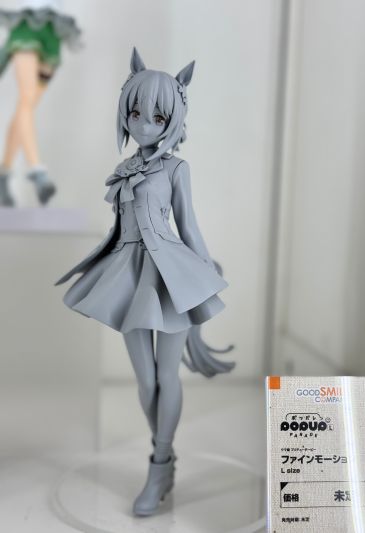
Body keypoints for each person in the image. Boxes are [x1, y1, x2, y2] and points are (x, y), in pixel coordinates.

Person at [55, 47, 235, 517]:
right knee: (146, 379)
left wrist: (203, 272)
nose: (144, 124)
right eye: (136, 113)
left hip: (171, 277)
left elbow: (188, 226)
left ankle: (159, 465)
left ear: (173, 119)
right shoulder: (125, 169)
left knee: (166, 375)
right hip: (129, 275)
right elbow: (120, 229)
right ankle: (165, 460)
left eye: (157, 117)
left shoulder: (177, 169)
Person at [0, 0, 81, 206]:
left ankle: (3, 175)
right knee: (27, 100)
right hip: (27, 26)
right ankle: (37, 171)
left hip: (53, 31)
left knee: (25, 108)